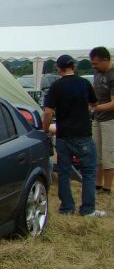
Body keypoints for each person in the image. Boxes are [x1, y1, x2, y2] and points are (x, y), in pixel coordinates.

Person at [43, 54, 104, 217]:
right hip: (83, 134)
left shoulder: (56, 86)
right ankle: (88, 209)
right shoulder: (84, 83)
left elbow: (48, 112)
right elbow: (94, 104)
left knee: (63, 172)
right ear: (74, 67)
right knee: (89, 172)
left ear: (59, 69)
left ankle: (67, 208)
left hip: (63, 135)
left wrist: (45, 128)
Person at [89, 46, 114, 196]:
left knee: (108, 154)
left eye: (96, 63)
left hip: (110, 121)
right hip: (97, 120)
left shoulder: (112, 75)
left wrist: (95, 108)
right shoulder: (97, 74)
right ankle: (97, 184)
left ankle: (107, 187)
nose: (94, 66)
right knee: (96, 153)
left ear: (106, 60)